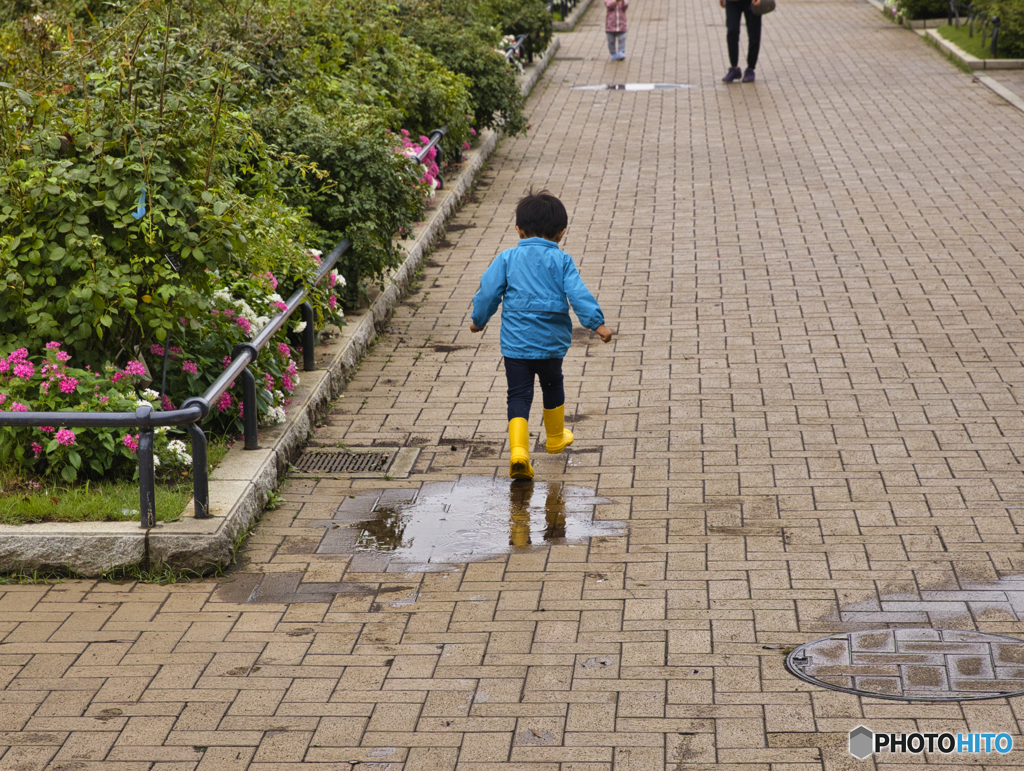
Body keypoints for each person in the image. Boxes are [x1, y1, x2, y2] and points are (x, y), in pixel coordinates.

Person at [470, 190, 613, 480]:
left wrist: (478, 320)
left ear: (519, 230)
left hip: (516, 346)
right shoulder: (562, 261)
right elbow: (578, 294)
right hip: (550, 345)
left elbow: (488, 293)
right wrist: (597, 324)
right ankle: (555, 438)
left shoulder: (507, 258)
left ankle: (519, 453)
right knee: (552, 383)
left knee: (518, 394)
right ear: (561, 233)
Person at [720, 0, 762, 83]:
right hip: (732, 1)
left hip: (751, 2)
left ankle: (750, 69)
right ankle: (734, 68)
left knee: (754, 33)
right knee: (732, 31)